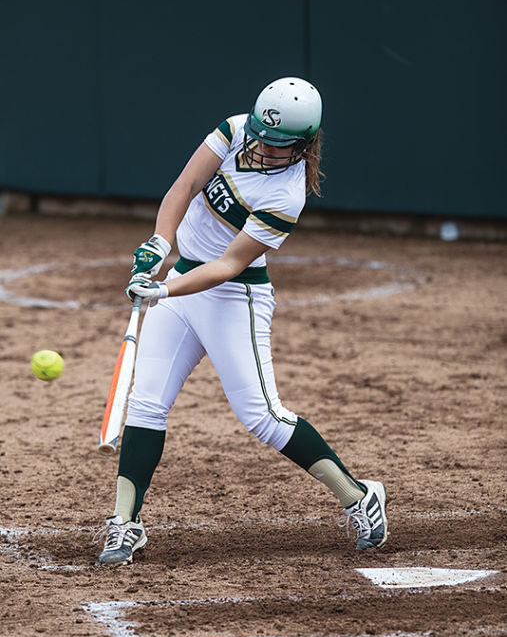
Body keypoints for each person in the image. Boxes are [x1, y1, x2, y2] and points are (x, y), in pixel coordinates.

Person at [97, 77, 389, 566]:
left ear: (304, 145)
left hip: (235, 298)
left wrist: (163, 287)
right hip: (184, 287)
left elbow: (229, 265)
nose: (262, 150)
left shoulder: (286, 195)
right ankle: (125, 522)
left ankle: (359, 496)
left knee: (263, 417)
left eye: (277, 147)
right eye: (260, 137)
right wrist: (160, 245)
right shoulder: (233, 130)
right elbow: (183, 187)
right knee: (146, 403)